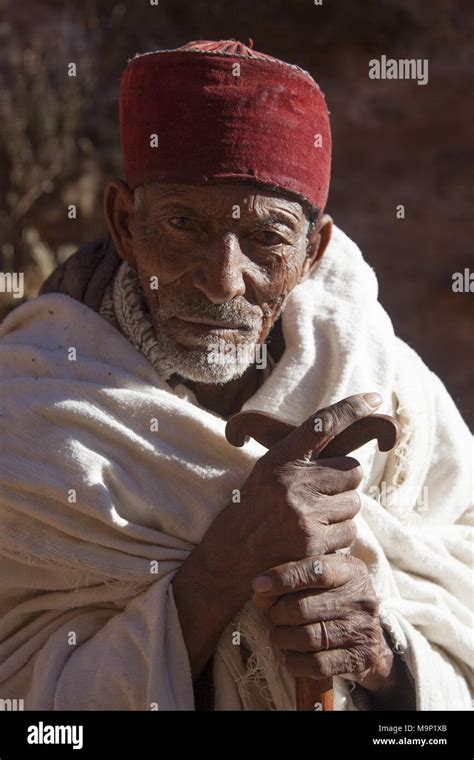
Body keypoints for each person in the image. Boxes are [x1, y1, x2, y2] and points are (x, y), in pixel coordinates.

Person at [0, 39, 471, 711]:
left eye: (267, 239)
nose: (223, 282)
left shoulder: (385, 378)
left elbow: (463, 614)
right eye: (184, 224)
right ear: (125, 225)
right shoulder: (29, 411)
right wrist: (225, 565)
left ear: (314, 253)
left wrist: (383, 658)